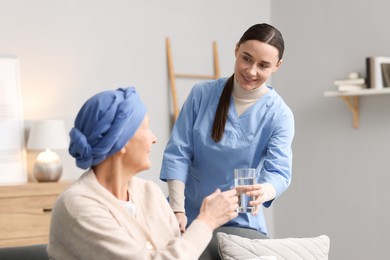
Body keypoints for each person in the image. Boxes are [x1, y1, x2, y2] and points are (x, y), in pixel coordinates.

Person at [47, 87, 239, 260]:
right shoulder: (78, 207)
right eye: (146, 128)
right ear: (120, 141)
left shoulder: (150, 192)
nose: (154, 139)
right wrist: (206, 221)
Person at [160, 23, 294, 246]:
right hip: (187, 215)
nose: (251, 71)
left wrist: (263, 191)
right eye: (247, 58)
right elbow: (177, 154)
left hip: (239, 221)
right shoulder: (201, 95)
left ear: (277, 66)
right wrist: (176, 209)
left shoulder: (279, 115)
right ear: (236, 50)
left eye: (263, 65)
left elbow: (279, 173)